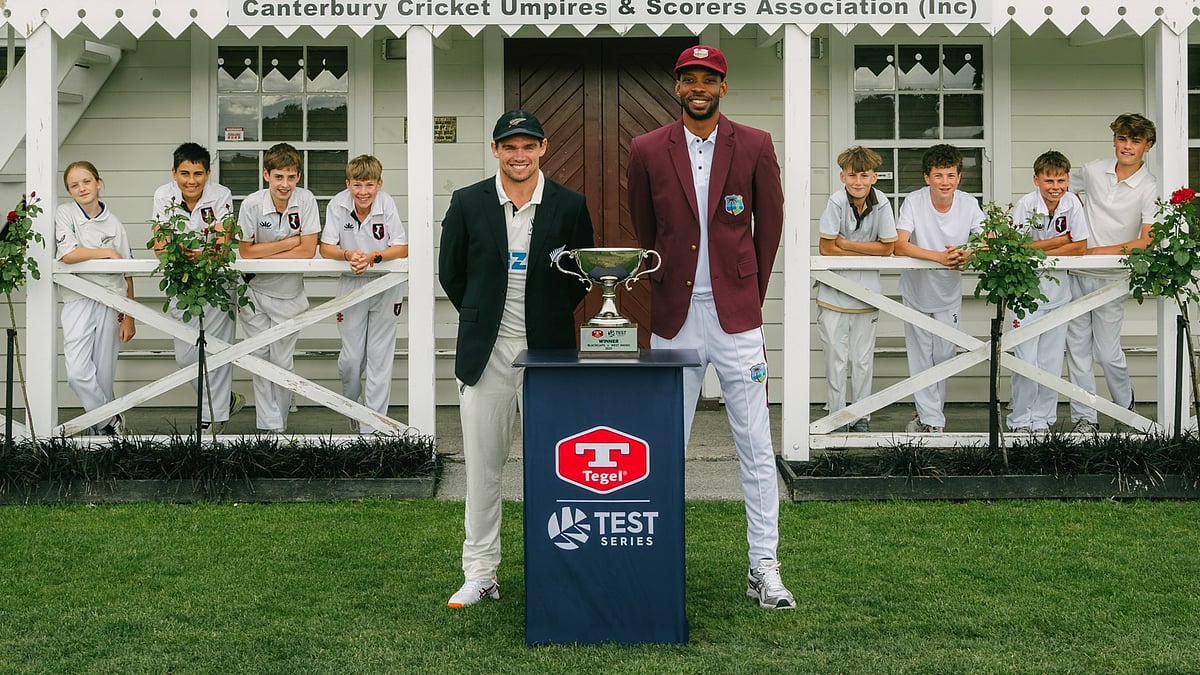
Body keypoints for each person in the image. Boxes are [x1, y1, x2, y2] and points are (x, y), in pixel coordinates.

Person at [627, 45, 793, 610]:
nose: (699, 87)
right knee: (663, 443)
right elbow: (645, 229)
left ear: (724, 86)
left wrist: (747, 293)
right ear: (677, 87)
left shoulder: (755, 144)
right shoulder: (647, 148)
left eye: (709, 79)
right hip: (674, 319)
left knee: (755, 444)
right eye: (689, 79)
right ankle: (656, 562)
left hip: (737, 319)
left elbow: (769, 226)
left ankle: (764, 566)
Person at [439, 110, 594, 608]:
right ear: (495, 150)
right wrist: (482, 316)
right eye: (510, 146)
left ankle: (559, 567)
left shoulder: (570, 205)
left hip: (547, 356)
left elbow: (582, 276)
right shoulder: (468, 202)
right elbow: (451, 273)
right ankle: (480, 571)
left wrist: (545, 319)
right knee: (484, 469)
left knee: (555, 469)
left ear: (543, 148)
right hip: (485, 357)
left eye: (528, 146)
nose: (519, 155)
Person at [1066, 113, 1157, 434]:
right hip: (1076, 272)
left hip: (1113, 278)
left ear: (1148, 146)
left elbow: (1146, 241)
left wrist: (1097, 251)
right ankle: (1085, 419)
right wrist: (1075, 227)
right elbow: (1062, 190)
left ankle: (1126, 411)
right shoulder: (1093, 170)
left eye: (1135, 141)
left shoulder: (1149, 186)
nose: (1127, 146)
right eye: (1122, 139)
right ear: (1114, 140)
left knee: (1106, 352)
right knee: (1077, 349)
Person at [152, 142, 245, 433]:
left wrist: (203, 254)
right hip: (181, 283)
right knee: (186, 357)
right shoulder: (163, 195)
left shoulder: (221, 195)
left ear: (208, 173)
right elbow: (161, 244)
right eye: (185, 173)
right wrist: (187, 254)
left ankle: (211, 420)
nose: (191, 181)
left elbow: (222, 243)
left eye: (198, 174)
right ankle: (225, 401)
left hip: (216, 281)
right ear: (174, 173)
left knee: (217, 351)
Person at [894, 144, 985, 433]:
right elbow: (899, 244)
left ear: (959, 177)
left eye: (950, 175)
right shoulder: (914, 201)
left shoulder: (969, 204)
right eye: (938, 175)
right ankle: (932, 422)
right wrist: (939, 257)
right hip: (917, 291)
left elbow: (987, 240)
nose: (945, 182)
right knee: (921, 355)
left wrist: (966, 254)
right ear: (927, 177)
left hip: (948, 292)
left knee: (944, 355)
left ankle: (927, 414)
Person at [319, 155, 409, 434]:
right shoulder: (337, 204)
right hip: (351, 282)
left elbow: (402, 247)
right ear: (348, 184)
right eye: (357, 185)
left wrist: (373, 257)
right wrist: (349, 255)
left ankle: (372, 428)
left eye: (369, 185)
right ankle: (353, 407)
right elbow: (325, 247)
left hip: (385, 284)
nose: (363, 192)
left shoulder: (386, 203)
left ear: (379, 184)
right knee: (351, 358)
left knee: (380, 357)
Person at [237, 142, 320, 434]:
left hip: (289, 293)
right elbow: (246, 252)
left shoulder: (306, 200)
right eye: (278, 177)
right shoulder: (251, 204)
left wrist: (266, 252)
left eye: (291, 177)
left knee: (282, 361)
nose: (284, 184)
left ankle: (280, 423)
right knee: (259, 358)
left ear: (299, 176)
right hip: (253, 290)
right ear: (266, 175)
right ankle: (269, 428)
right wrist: (289, 243)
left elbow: (308, 250)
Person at [816, 146, 897, 433]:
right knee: (835, 359)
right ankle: (837, 416)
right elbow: (826, 248)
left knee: (862, 359)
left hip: (867, 293)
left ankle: (861, 415)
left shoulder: (882, 202)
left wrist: (846, 244)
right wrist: (867, 249)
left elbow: (887, 248)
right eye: (852, 176)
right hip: (833, 293)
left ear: (874, 177)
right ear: (842, 177)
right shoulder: (836, 201)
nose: (858, 182)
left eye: (864, 176)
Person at [1007, 151, 1089, 434]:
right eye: (1049, 180)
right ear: (1036, 180)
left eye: (1061, 180)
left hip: (1058, 294)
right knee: (1025, 362)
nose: (1055, 187)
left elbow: (1080, 246)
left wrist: (1041, 249)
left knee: (1051, 362)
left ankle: (1042, 420)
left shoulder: (1072, 203)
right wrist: (1058, 241)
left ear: (1067, 180)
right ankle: (1020, 420)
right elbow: (1018, 248)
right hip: (1025, 295)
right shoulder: (1025, 205)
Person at [56, 161, 135, 435]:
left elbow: (127, 273)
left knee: (104, 373)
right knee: (78, 372)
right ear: (69, 191)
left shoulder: (114, 224)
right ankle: (109, 420)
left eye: (86, 181)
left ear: (99, 183)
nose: (81, 188)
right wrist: (107, 252)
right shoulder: (65, 213)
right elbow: (68, 254)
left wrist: (130, 317)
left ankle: (103, 437)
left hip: (112, 301)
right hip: (77, 297)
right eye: (74, 185)